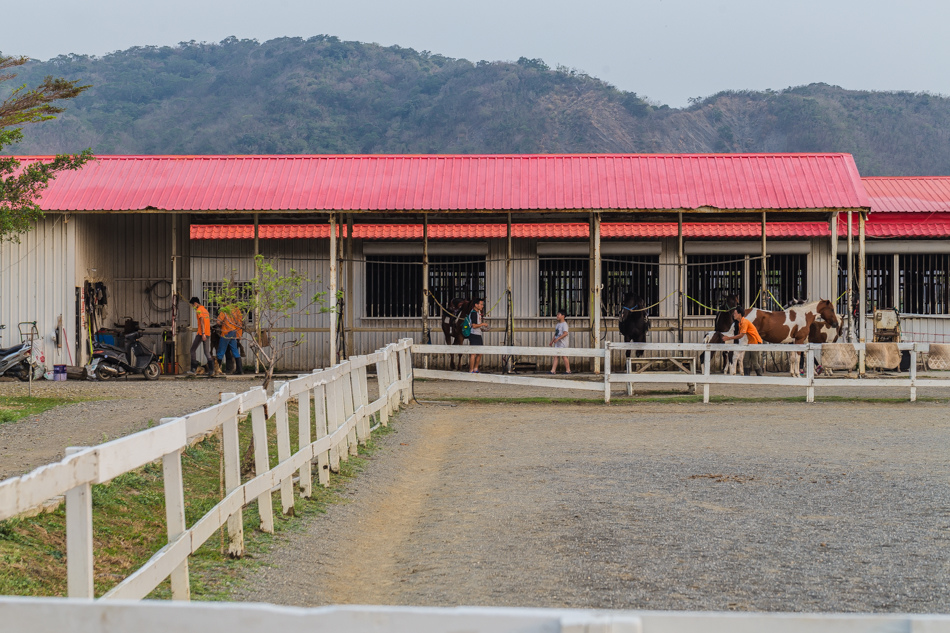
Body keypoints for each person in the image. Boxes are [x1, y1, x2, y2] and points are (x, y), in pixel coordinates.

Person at [722, 306, 764, 376]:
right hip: (749, 343)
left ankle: (760, 376)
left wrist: (729, 338)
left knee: (754, 362)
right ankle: (747, 377)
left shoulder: (744, 322)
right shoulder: (740, 323)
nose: (734, 314)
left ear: (739, 314)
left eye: (735, 313)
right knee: (745, 361)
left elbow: (741, 335)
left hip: (755, 342)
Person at [186, 297, 213, 376]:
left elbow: (202, 322)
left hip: (202, 333)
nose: (193, 307)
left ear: (195, 303)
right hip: (208, 333)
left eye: (192, 305)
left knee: (192, 350)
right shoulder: (205, 310)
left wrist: (203, 333)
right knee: (206, 352)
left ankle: (193, 369)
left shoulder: (199, 310)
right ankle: (211, 371)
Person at [215, 305, 244, 376]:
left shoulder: (224, 310)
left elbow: (218, 321)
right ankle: (240, 370)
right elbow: (240, 322)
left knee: (221, 351)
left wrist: (222, 323)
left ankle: (217, 370)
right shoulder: (237, 310)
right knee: (235, 351)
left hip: (226, 332)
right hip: (234, 332)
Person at [467, 298, 488, 373]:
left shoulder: (478, 313)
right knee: (473, 353)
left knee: (480, 352)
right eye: (481, 304)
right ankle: (471, 370)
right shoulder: (473, 313)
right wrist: (483, 324)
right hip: (474, 335)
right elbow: (474, 325)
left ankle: (475, 368)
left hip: (478, 334)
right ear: (476, 305)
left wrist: (481, 328)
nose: (482, 306)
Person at [549, 309, 571, 374]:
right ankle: (553, 370)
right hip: (557, 344)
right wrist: (552, 341)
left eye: (559, 314)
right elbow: (556, 334)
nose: (557, 316)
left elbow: (565, 333)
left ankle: (568, 370)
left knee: (564, 356)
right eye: (557, 314)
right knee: (555, 356)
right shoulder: (558, 324)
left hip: (563, 344)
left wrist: (558, 339)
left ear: (563, 316)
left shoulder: (564, 324)